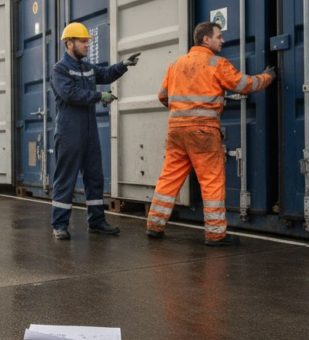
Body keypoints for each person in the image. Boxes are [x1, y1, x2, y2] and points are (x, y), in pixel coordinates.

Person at [145, 22, 275, 246]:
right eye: (219, 36)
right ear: (206, 39)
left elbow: (162, 96)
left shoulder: (176, 64)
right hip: (203, 130)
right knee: (211, 181)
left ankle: (154, 225)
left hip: (176, 131)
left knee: (169, 177)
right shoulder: (217, 63)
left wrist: (183, 110)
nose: (222, 40)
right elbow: (243, 84)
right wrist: (267, 77)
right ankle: (215, 234)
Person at [51, 22, 139, 240]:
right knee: (66, 178)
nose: (86, 45)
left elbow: (105, 74)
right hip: (69, 132)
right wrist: (100, 96)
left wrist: (123, 65)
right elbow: (71, 94)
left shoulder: (87, 67)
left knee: (95, 177)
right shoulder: (60, 69)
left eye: (87, 41)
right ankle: (59, 225)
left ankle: (97, 221)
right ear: (69, 44)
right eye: (82, 41)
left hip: (89, 133)